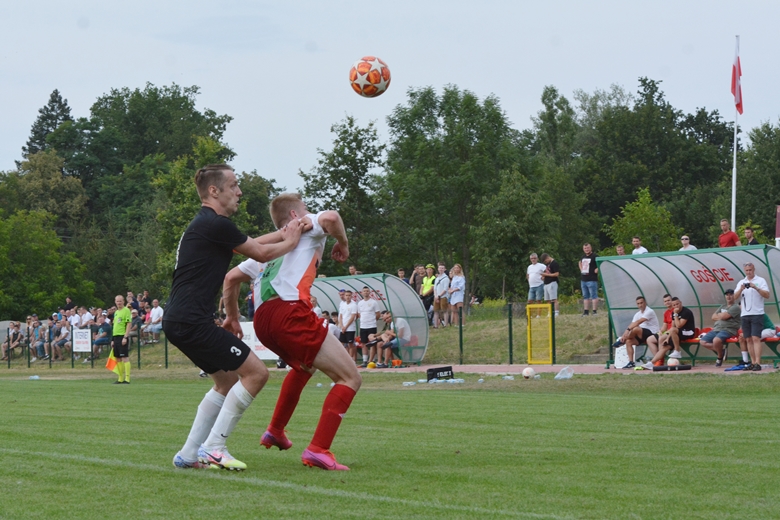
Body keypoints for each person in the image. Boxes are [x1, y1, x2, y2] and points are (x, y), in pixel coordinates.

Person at [164, 163, 304, 471]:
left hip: (181, 319)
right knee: (257, 374)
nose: (239, 192)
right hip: (191, 320)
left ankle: (188, 454)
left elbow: (253, 243)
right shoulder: (216, 224)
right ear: (214, 191)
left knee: (226, 381)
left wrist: (283, 233)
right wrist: (292, 240)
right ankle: (213, 448)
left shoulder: (208, 224)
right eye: (233, 186)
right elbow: (262, 253)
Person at [247, 192, 361, 471]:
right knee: (350, 378)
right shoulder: (306, 224)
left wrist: (232, 316)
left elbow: (231, 275)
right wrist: (342, 243)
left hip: (263, 321)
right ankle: (318, 449)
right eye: (306, 209)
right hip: (289, 313)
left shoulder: (272, 249)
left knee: (303, 368)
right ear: (296, 215)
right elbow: (332, 217)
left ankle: (275, 430)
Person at [733, 262, 770, 370]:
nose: (749, 272)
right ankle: (753, 362)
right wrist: (741, 289)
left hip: (757, 313)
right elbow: (735, 297)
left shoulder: (760, 281)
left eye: (750, 270)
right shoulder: (742, 282)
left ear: (754, 270)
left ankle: (758, 362)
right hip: (745, 314)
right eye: (747, 271)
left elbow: (767, 295)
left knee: (755, 338)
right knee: (748, 338)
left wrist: (756, 288)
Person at [641, 297, 694, 369]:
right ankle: (652, 363)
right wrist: (667, 338)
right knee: (664, 347)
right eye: (674, 305)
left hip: (688, 332)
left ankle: (677, 350)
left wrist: (675, 314)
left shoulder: (686, 312)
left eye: (677, 304)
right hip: (677, 333)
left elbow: (679, 325)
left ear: (681, 303)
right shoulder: (673, 313)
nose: (676, 306)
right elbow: (673, 327)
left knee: (673, 330)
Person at [700, 289, 741, 367]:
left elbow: (724, 316)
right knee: (702, 342)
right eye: (727, 295)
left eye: (731, 295)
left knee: (716, 341)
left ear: (734, 296)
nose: (728, 297)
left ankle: (719, 357)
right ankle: (721, 351)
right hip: (716, 329)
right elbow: (713, 317)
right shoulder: (723, 306)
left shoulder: (736, 307)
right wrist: (722, 316)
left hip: (728, 329)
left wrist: (721, 316)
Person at [619, 296, 660, 369]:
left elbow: (638, 322)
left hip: (652, 333)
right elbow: (632, 324)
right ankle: (631, 362)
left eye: (641, 303)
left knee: (636, 329)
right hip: (642, 335)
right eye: (638, 303)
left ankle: (622, 341)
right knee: (629, 341)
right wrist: (625, 333)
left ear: (645, 302)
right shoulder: (637, 314)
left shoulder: (649, 311)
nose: (640, 305)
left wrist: (627, 331)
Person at [110, 295, 133, 384]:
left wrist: (125, 337)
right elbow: (114, 325)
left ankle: (127, 378)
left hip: (122, 336)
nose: (119, 303)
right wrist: (112, 339)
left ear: (123, 301)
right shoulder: (116, 312)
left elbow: (128, 324)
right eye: (117, 301)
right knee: (118, 358)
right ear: (115, 302)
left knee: (124, 357)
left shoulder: (126, 310)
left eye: (120, 301)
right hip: (116, 337)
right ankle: (120, 378)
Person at [357, 286, 381, 365]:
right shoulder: (360, 303)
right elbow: (359, 314)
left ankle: (372, 360)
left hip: (372, 325)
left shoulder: (374, 302)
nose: (366, 292)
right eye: (364, 291)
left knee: (372, 343)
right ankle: (364, 360)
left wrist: (373, 320)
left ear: (369, 292)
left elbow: (378, 314)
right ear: (362, 292)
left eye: (367, 291)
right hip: (363, 326)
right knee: (363, 343)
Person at [338, 289, 358, 363]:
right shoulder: (342, 304)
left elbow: (352, 317)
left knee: (350, 344)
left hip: (350, 328)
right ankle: (342, 359)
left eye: (349, 295)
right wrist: (342, 326)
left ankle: (350, 359)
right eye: (346, 295)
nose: (348, 297)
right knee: (342, 343)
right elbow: (340, 316)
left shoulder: (354, 305)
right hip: (343, 328)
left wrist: (346, 327)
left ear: (351, 296)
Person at [579, 243, 599, 316]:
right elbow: (580, 263)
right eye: (585, 248)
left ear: (591, 248)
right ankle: (586, 311)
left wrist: (597, 269)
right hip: (584, 279)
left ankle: (594, 311)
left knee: (593, 295)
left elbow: (600, 263)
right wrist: (581, 269)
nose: (586, 249)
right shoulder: (583, 257)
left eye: (587, 248)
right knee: (585, 296)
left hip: (592, 278)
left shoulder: (595, 256)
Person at [433, 262, 450, 328]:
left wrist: (439, 296)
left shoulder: (446, 278)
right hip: (437, 296)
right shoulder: (437, 278)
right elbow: (435, 288)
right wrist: (436, 296)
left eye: (442, 268)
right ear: (438, 269)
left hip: (443, 296)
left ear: (444, 269)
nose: (441, 269)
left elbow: (445, 289)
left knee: (444, 310)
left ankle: (446, 324)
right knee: (436, 311)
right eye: (440, 268)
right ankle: (436, 325)